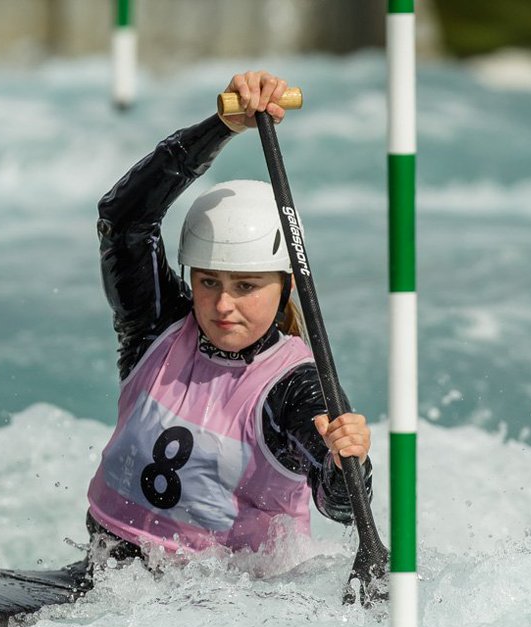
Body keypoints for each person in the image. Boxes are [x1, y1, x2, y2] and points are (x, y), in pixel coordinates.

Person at [85, 70, 372, 569]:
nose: (222, 306)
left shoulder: (297, 386)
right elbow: (124, 219)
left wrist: (349, 464)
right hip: (107, 576)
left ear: (284, 284)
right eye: (209, 282)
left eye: (245, 286)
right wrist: (219, 127)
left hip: (229, 608)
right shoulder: (157, 328)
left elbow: (340, 507)